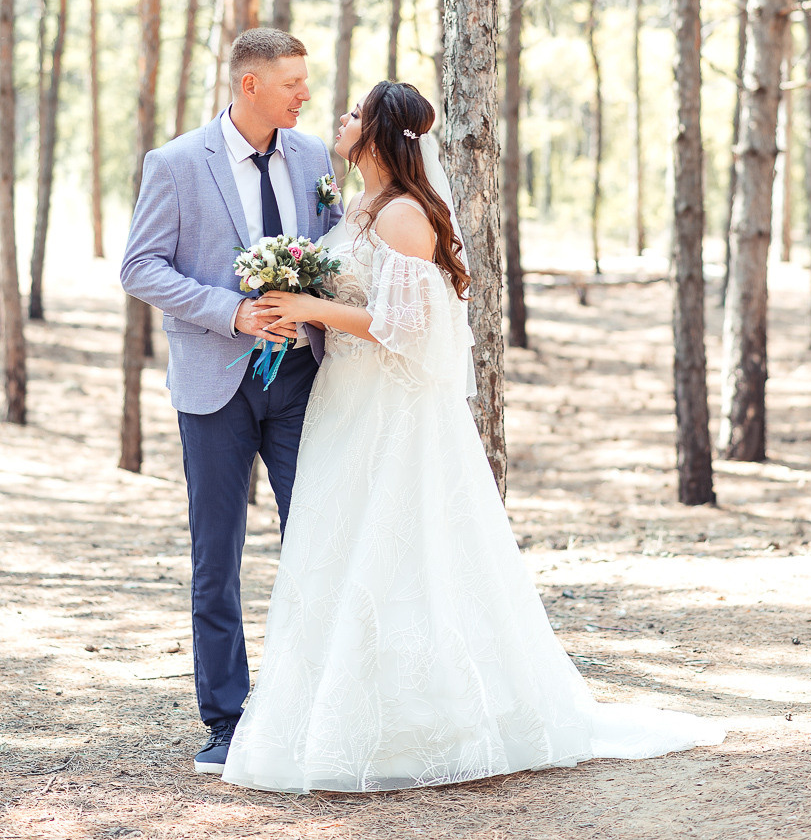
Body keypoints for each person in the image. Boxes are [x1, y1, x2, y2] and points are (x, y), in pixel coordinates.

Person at [222, 80, 725, 794]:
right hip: (347, 402)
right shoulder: (357, 205)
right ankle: (331, 711)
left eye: (355, 113)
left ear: (379, 134)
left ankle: (427, 722)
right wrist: (300, 308)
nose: (341, 117)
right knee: (338, 546)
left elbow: (408, 329)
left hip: (390, 415)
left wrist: (310, 305)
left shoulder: (401, 216)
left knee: (397, 550)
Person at [120, 28, 343, 774]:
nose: (304, 95)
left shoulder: (313, 157)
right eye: (292, 83)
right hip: (214, 384)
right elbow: (140, 266)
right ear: (250, 84)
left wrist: (316, 301)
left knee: (315, 543)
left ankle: (311, 706)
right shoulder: (177, 163)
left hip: (303, 380)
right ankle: (225, 719)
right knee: (217, 558)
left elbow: (335, 245)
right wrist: (231, 311)